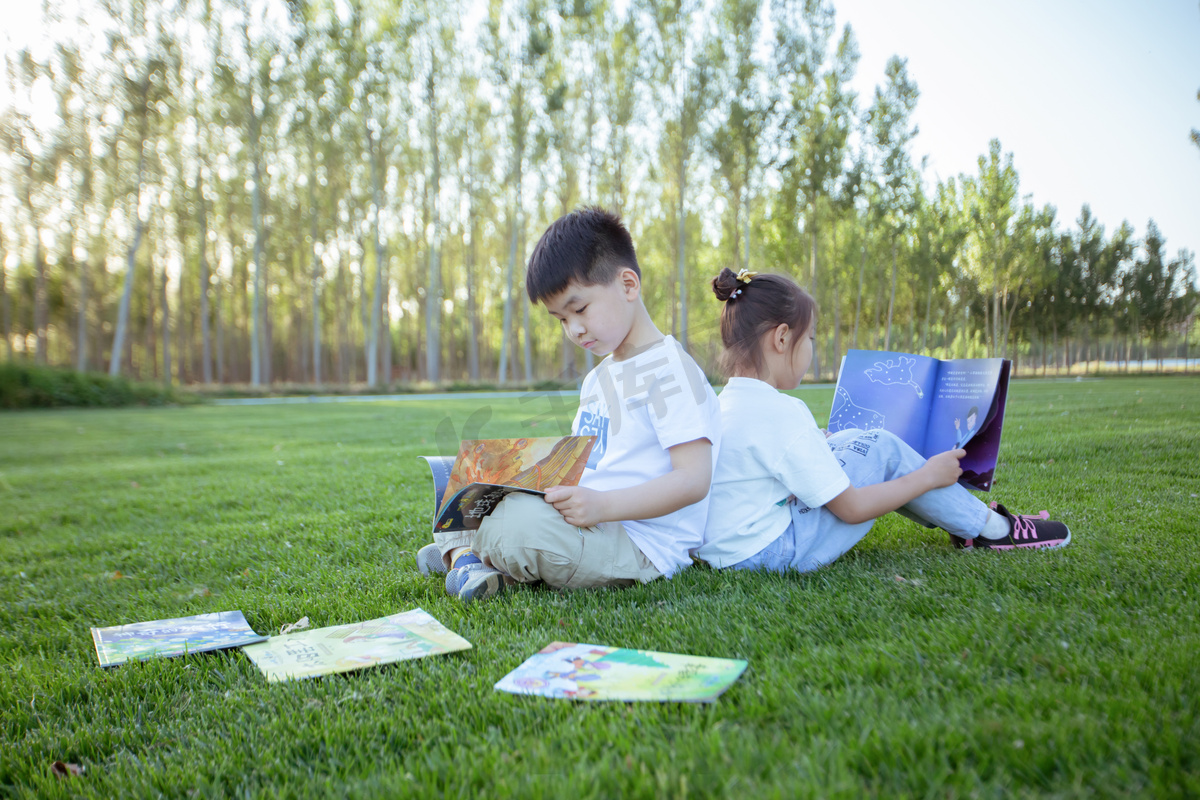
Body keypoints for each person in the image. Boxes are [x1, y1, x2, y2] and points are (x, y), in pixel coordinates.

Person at [416, 207, 721, 602]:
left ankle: (468, 556)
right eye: (560, 319)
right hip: (584, 519)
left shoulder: (671, 371)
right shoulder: (598, 378)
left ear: (628, 285)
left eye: (580, 310)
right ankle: (474, 558)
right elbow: (585, 462)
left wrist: (602, 506)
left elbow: (692, 480)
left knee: (517, 526)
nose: (574, 329)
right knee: (465, 479)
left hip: (639, 542)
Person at [696, 267, 1070, 575]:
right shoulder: (782, 411)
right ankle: (992, 530)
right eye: (809, 337)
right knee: (881, 446)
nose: (811, 348)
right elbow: (852, 508)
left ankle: (966, 521)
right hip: (770, 552)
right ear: (781, 338)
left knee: (852, 438)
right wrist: (927, 476)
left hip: (730, 550)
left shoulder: (725, 403)